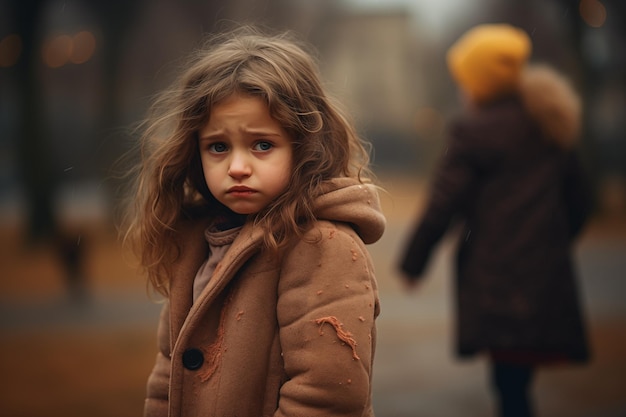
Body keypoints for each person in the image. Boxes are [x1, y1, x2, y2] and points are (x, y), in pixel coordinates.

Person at [122, 27, 386, 417]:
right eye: (218, 147)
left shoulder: (322, 245)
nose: (238, 167)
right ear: (195, 151)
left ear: (303, 147)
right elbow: (168, 377)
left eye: (262, 145)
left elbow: (327, 397)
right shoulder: (197, 241)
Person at [398, 23, 592, 417]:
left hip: (495, 276)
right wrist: (552, 242)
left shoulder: (472, 131)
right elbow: (580, 202)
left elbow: (442, 204)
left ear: (481, 83)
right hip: (544, 272)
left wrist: (413, 264)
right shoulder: (549, 122)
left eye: (465, 80)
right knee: (519, 377)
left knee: (508, 382)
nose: (461, 89)